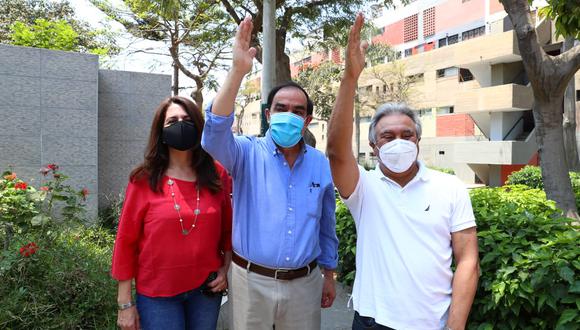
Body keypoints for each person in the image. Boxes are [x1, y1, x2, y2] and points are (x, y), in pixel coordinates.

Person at [327, 14, 480, 330]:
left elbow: (468, 260)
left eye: (406, 135)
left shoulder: (449, 187)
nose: (399, 142)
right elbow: (335, 152)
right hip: (373, 322)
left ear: (419, 140)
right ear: (373, 147)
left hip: (432, 324)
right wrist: (350, 78)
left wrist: (455, 326)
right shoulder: (363, 189)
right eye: (387, 136)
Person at [201, 16, 339, 330]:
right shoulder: (245, 153)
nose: (289, 116)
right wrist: (237, 72)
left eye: (298, 111)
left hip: (305, 284)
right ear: (268, 114)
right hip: (250, 282)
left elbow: (326, 225)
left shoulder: (321, 164)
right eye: (281, 108)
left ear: (307, 121)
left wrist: (329, 275)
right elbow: (213, 136)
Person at [111, 96, 233, 330]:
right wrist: (125, 303)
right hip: (157, 295)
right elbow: (126, 242)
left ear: (198, 126)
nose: (181, 124)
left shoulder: (216, 175)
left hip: (205, 291)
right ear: (161, 131)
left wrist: (224, 268)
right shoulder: (143, 180)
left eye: (187, 119)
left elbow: (227, 228)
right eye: (172, 121)